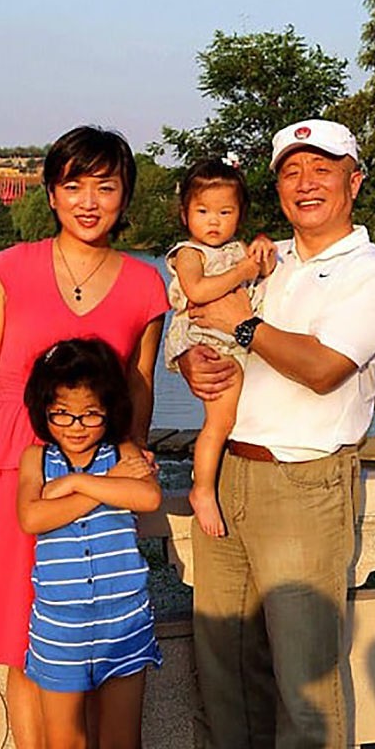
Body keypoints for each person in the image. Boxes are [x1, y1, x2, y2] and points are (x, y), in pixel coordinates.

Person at [0, 125, 169, 749]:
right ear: (50, 193)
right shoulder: (10, 268)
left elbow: (137, 385)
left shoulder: (145, 284)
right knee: (22, 645)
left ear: (125, 195)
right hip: (13, 464)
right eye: (73, 185)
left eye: (105, 185)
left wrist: (133, 449)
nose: (89, 200)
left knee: (87, 637)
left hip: (97, 471)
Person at [178, 119, 375, 749]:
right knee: (227, 662)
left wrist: (242, 322)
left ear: (353, 181)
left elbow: (321, 368)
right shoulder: (262, 260)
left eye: (322, 168)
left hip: (305, 485)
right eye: (290, 171)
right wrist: (194, 369)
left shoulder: (370, 271)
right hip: (231, 474)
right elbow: (204, 327)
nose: (305, 183)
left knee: (306, 677)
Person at [17, 338, 162, 749]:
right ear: (44, 409)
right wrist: (105, 489)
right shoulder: (36, 457)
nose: (75, 425)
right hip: (59, 632)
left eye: (89, 414)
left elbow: (147, 497)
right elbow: (30, 517)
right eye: (61, 413)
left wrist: (79, 482)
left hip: (125, 624)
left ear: (110, 410)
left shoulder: (123, 452)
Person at [163, 159, 276, 536]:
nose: (213, 221)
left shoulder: (236, 248)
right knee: (220, 420)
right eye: (203, 211)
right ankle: (202, 489)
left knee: (233, 414)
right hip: (204, 338)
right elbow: (196, 291)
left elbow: (267, 268)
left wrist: (260, 246)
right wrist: (243, 271)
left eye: (225, 212)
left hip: (232, 337)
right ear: (185, 214)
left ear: (239, 214)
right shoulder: (188, 253)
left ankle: (212, 480)